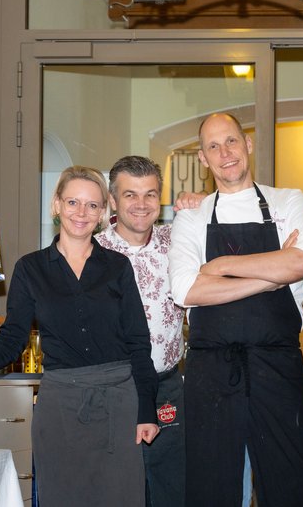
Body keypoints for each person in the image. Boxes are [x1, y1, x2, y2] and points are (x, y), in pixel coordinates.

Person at [0, 165, 159, 507]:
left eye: (92, 205)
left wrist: (146, 411)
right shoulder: (31, 268)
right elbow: (12, 339)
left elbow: (139, 343)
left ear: (103, 213)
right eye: (73, 202)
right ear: (57, 205)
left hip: (118, 404)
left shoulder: (118, 267)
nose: (82, 213)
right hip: (60, 404)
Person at [168, 112, 303, 507]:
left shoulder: (288, 200)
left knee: (291, 481)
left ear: (248, 144)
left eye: (232, 141)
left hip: (279, 366)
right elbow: (186, 288)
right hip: (211, 369)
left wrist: (220, 268)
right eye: (214, 146)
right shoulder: (191, 215)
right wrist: (271, 276)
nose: (226, 153)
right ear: (203, 159)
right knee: (210, 485)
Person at [95, 155, 187, 507]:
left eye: (150, 194)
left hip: (167, 388)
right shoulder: (93, 251)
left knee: (171, 490)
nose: (141, 204)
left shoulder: (177, 243)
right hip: (113, 389)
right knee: (117, 490)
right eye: (130, 195)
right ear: (114, 201)